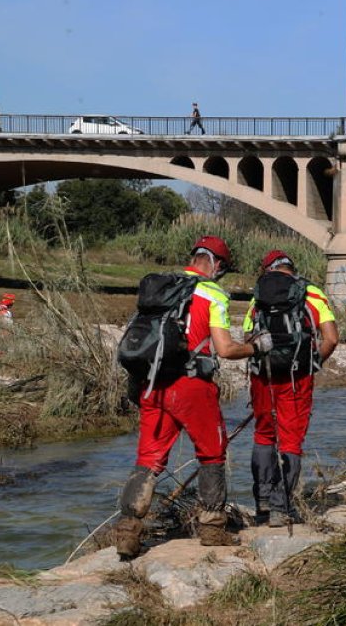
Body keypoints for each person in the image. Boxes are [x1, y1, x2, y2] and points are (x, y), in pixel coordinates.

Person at [113, 236, 262, 557]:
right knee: (212, 451)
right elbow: (225, 348)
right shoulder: (213, 293)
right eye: (223, 268)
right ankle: (212, 528)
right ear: (217, 264)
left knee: (149, 458)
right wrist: (256, 346)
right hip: (192, 384)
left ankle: (127, 533)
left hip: (152, 382)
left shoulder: (162, 286)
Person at [244, 250, 339, 526]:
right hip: (298, 376)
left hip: (263, 374)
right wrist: (313, 362)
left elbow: (248, 335)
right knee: (290, 439)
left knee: (263, 434)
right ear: (291, 268)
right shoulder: (311, 292)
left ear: (267, 270)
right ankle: (280, 508)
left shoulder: (258, 295)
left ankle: (262, 502)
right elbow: (331, 338)